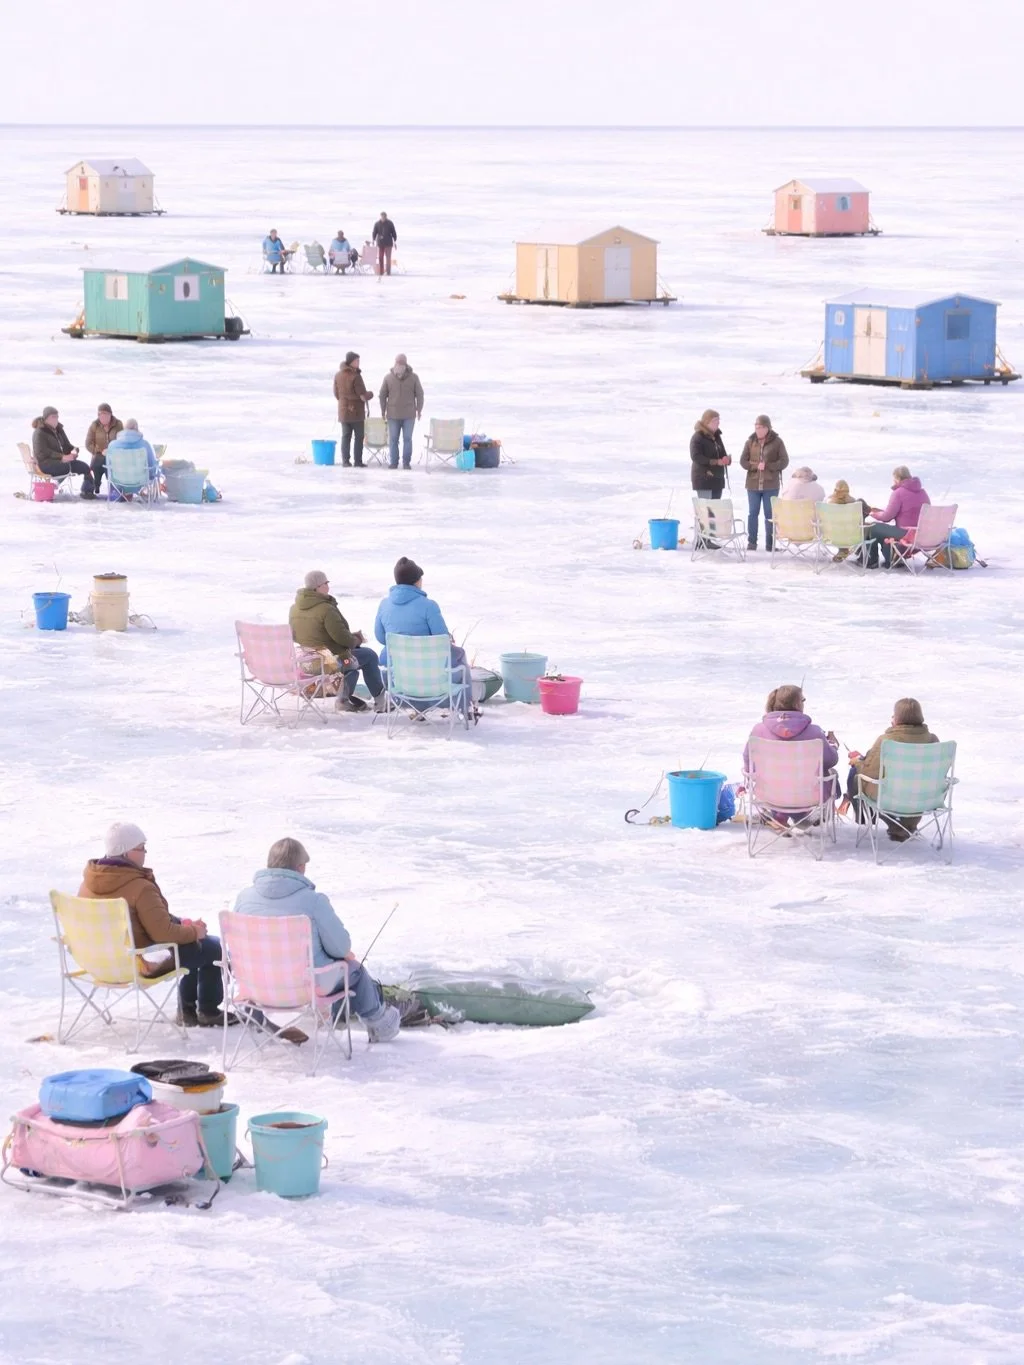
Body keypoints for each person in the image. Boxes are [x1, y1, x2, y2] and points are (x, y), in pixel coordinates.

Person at [233, 838, 401, 1043]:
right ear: (301, 867)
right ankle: (380, 1023)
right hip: (305, 987)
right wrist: (342, 956)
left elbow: (238, 950)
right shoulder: (314, 901)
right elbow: (341, 947)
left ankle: (260, 1020)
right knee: (354, 970)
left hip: (256, 988)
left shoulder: (244, 898)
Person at [79, 823, 234, 1028]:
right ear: (125, 852)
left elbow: (145, 920)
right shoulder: (139, 887)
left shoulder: (88, 883)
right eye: (141, 847)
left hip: (98, 961)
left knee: (194, 942)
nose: (145, 853)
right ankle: (206, 1010)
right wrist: (193, 931)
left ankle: (188, 1010)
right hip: (138, 962)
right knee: (212, 947)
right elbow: (162, 933)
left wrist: (182, 924)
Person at [374, 557, 472, 719]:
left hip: (400, 682)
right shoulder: (428, 605)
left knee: (386, 656)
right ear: (416, 581)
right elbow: (441, 640)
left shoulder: (384, 605)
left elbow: (381, 637)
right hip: (433, 682)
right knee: (459, 655)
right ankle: (465, 708)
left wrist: (404, 644)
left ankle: (416, 708)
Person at [289, 569, 386, 713]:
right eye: (326, 583)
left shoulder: (294, 608)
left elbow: (295, 636)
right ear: (317, 587)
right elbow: (344, 639)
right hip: (329, 662)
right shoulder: (326, 609)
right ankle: (379, 700)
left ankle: (346, 698)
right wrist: (357, 639)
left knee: (352, 660)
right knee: (368, 655)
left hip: (307, 662)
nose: (328, 586)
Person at [845, 697, 939, 841]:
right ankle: (907, 825)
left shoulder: (886, 741)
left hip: (890, 797)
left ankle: (868, 820)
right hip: (925, 797)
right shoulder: (932, 740)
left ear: (898, 718)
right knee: (911, 786)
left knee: (855, 774)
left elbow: (869, 772)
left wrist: (857, 762)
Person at [743, 684, 839, 822]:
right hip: (807, 797)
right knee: (832, 773)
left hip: (768, 795)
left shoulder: (758, 731)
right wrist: (833, 745)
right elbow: (831, 761)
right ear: (797, 703)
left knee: (779, 775)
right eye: (803, 700)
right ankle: (804, 817)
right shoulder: (815, 733)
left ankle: (780, 816)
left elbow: (749, 762)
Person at [863, 466, 931, 568]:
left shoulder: (898, 493)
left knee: (873, 527)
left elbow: (887, 517)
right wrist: (882, 511)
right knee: (885, 533)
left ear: (897, 479)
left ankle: (871, 561)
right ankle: (892, 559)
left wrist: (873, 514)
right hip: (922, 534)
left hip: (906, 533)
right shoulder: (923, 493)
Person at [740, 415, 789, 551]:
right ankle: (752, 543)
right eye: (756, 427)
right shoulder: (750, 442)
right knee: (753, 513)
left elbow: (784, 461)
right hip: (753, 484)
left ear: (767, 428)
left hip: (771, 485)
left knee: (769, 515)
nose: (758, 430)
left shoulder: (777, 442)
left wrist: (768, 466)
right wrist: (756, 466)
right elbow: (743, 461)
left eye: (761, 427)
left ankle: (770, 545)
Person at [31, 407, 97, 499]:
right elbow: (42, 452)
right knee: (68, 466)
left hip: (61, 462)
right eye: (53, 417)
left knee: (85, 467)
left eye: (57, 416)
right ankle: (53, 485)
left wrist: (74, 450)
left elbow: (66, 445)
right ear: (46, 418)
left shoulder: (59, 429)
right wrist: (62, 457)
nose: (56, 419)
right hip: (45, 464)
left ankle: (87, 491)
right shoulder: (39, 432)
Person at [379, 353, 424, 470]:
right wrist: (382, 411)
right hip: (393, 415)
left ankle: (406, 463)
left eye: (401, 362)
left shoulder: (414, 377)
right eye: (397, 362)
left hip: (409, 415)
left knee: (407, 439)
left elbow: (420, 394)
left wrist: (419, 409)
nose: (398, 364)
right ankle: (394, 462)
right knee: (393, 439)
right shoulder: (388, 378)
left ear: (405, 364)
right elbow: (382, 395)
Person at [334, 351, 371, 467]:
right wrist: (370, 394)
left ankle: (345, 461)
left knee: (346, 436)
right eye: (357, 361)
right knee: (359, 436)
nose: (358, 362)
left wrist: (344, 401)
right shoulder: (356, 376)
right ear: (351, 362)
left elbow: (336, 394)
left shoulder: (338, 375)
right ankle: (358, 461)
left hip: (343, 411)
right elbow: (362, 396)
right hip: (356, 412)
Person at [105, 418, 158, 490]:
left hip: (118, 481)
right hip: (140, 481)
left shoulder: (113, 445)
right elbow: (151, 464)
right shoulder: (144, 445)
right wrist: (152, 475)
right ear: (136, 428)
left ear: (124, 429)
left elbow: (109, 465)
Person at [689, 409, 730, 501]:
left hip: (717, 479)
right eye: (715, 421)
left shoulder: (717, 437)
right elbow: (696, 456)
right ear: (707, 422)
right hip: (704, 479)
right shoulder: (698, 437)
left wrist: (726, 459)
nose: (718, 423)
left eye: (719, 420)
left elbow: (722, 452)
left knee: (715, 510)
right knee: (706, 509)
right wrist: (715, 462)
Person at [84, 402, 123, 494]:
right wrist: (98, 451)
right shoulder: (94, 425)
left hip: (114, 455)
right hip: (98, 455)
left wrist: (112, 451)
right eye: (100, 414)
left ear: (110, 415)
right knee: (95, 465)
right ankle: (93, 487)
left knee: (110, 466)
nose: (102, 417)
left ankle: (114, 489)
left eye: (105, 414)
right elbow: (88, 443)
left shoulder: (118, 424)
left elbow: (122, 441)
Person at [371, 211, 398, 275]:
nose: (383, 218)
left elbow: (394, 232)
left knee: (388, 258)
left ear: (386, 217)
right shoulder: (377, 224)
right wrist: (373, 240)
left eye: (384, 217)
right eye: (382, 216)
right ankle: (381, 271)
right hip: (380, 243)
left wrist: (395, 241)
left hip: (388, 243)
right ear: (380, 216)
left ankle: (388, 272)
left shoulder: (390, 223)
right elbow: (374, 232)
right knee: (380, 257)